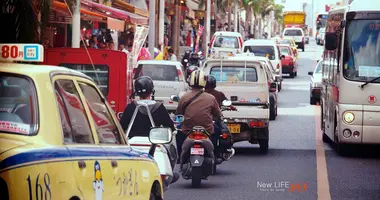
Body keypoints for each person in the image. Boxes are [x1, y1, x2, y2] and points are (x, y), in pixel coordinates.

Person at [175, 70, 222, 163]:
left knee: (178, 134)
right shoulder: (211, 98)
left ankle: (179, 156)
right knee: (218, 130)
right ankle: (216, 154)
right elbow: (218, 114)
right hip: (207, 129)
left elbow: (179, 113)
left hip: (188, 129)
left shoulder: (184, 97)